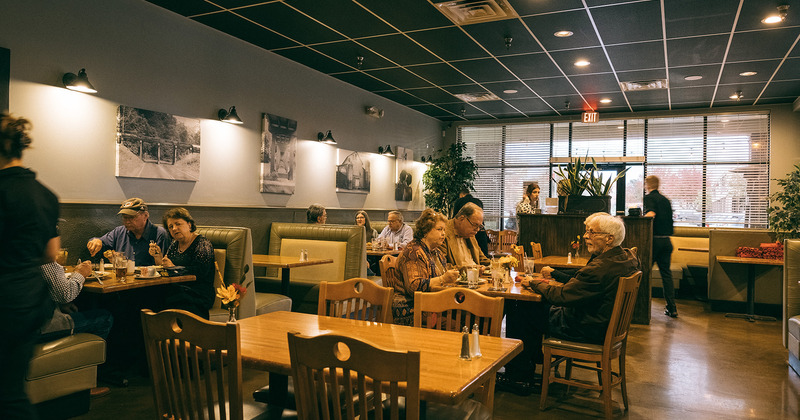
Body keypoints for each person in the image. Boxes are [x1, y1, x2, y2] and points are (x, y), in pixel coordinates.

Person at [499, 213, 639, 395]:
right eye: (586, 231)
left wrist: (534, 282)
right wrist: (556, 275)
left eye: (592, 232)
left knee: (518, 307)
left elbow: (562, 296)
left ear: (609, 239)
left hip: (583, 328)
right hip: (601, 325)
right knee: (530, 308)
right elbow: (582, 284)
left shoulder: (599, 268)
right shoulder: (625, 258)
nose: (586, 236)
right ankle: (531, 361)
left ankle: (518, 377)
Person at [0, 112, 60, 419]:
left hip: (5, 300)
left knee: (7, 397)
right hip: (30, 301)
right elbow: (52, 252)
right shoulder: (46, 194)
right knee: (10, 390)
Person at [39, 261, 114, 397]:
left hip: (18, 326)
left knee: (81, 312)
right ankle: (85, 384)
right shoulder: (45, 260)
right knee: (105, 318)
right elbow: (66, 294)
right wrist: (80, 273)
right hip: (42, 327)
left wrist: (58, 305)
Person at [386, 209, 459, 325]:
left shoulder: (436, 252)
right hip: (411, 310)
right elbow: (414, 286)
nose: (443, 233)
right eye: (439, 229)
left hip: (431, 305)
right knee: (463, 321)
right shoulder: (413, 252)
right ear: (426, 231)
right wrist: (443, 279)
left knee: (468, 314)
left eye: (444, 230)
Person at [149, 208, 216, 319]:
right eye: (170, 227)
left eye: (178, 224)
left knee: (164, 298)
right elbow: (167, 268)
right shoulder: (175, 244)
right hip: (178, 289)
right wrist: (158, 257)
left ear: (189, 225)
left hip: (198, 293)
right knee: (147, 295)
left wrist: (174, 268)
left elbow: (200, 272)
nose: (174, 228)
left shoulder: (202, 243)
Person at [86, 197, 170, 266]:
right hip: (123, 281)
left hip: (150, 283)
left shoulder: (159, 234)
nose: (127, 221)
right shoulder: (119, 232)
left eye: (132, 217)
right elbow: (101, 243)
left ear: (145, 216)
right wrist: (96, 241)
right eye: (124, 217)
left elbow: (164, 266)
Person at [644, 175, 677, 318]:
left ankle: (640, 308)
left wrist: (639, 219)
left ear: (647, 185)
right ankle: (672, 308)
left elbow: (651, 214)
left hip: (654, 242)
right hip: (667, 242)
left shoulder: (649, 198)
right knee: (666, 275)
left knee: (644, 273)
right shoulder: (666, 200)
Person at [441, 202, 490, 267]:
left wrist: (500, 263)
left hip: (476, 275)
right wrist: (469, 269)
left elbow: (482, 259)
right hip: (460, 276)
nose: (477, 229)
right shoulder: (443, 233)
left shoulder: (469, 234)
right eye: (475, 225)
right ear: (462, 219)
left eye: (479, 226)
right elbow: (442, 266)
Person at [452, 188, 490, 256]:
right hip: (481, 233)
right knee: (483, 254)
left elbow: (455, 218)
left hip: (469, 230)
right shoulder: (478, 201)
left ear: (461, 195)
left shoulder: (459, 201)